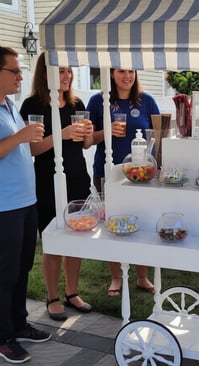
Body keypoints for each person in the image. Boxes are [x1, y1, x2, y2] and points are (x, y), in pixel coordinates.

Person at [20, 52, 93, 321]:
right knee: (52, 239)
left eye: (69, 70)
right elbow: (31, 149)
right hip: (47, 180)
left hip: (77, 178)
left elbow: (84, 145)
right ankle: (52, 297)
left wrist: (86, 135)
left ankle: (72, 293)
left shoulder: (76, 103)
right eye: (61, 70)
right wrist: (60, 135)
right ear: (46, 73)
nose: (67, 76)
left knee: (76, 238)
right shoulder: (32, 105)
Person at [87, 68, 159, 296]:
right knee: (113, 224)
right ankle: (116, 277)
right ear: (111, 73)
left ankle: (141, 276)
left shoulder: (146, 100)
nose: (126, 76)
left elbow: (159, 134)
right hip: (108, 172)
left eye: (131, 71)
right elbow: (87, 141)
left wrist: (157, 166)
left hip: (142, 174)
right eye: (121, 71)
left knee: (143, 222)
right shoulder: (98, 101)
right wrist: (107, 132)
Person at [0, 46, 51, 364]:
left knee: (21, 269)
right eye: (14, 71)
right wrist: (19, 137)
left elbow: (27, 151)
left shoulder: (9, 105)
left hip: (25, 202)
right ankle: (3, 337)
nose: (21, 76)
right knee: (4, 274)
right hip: (4, 207)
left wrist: (59, 135)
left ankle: (18, 325)